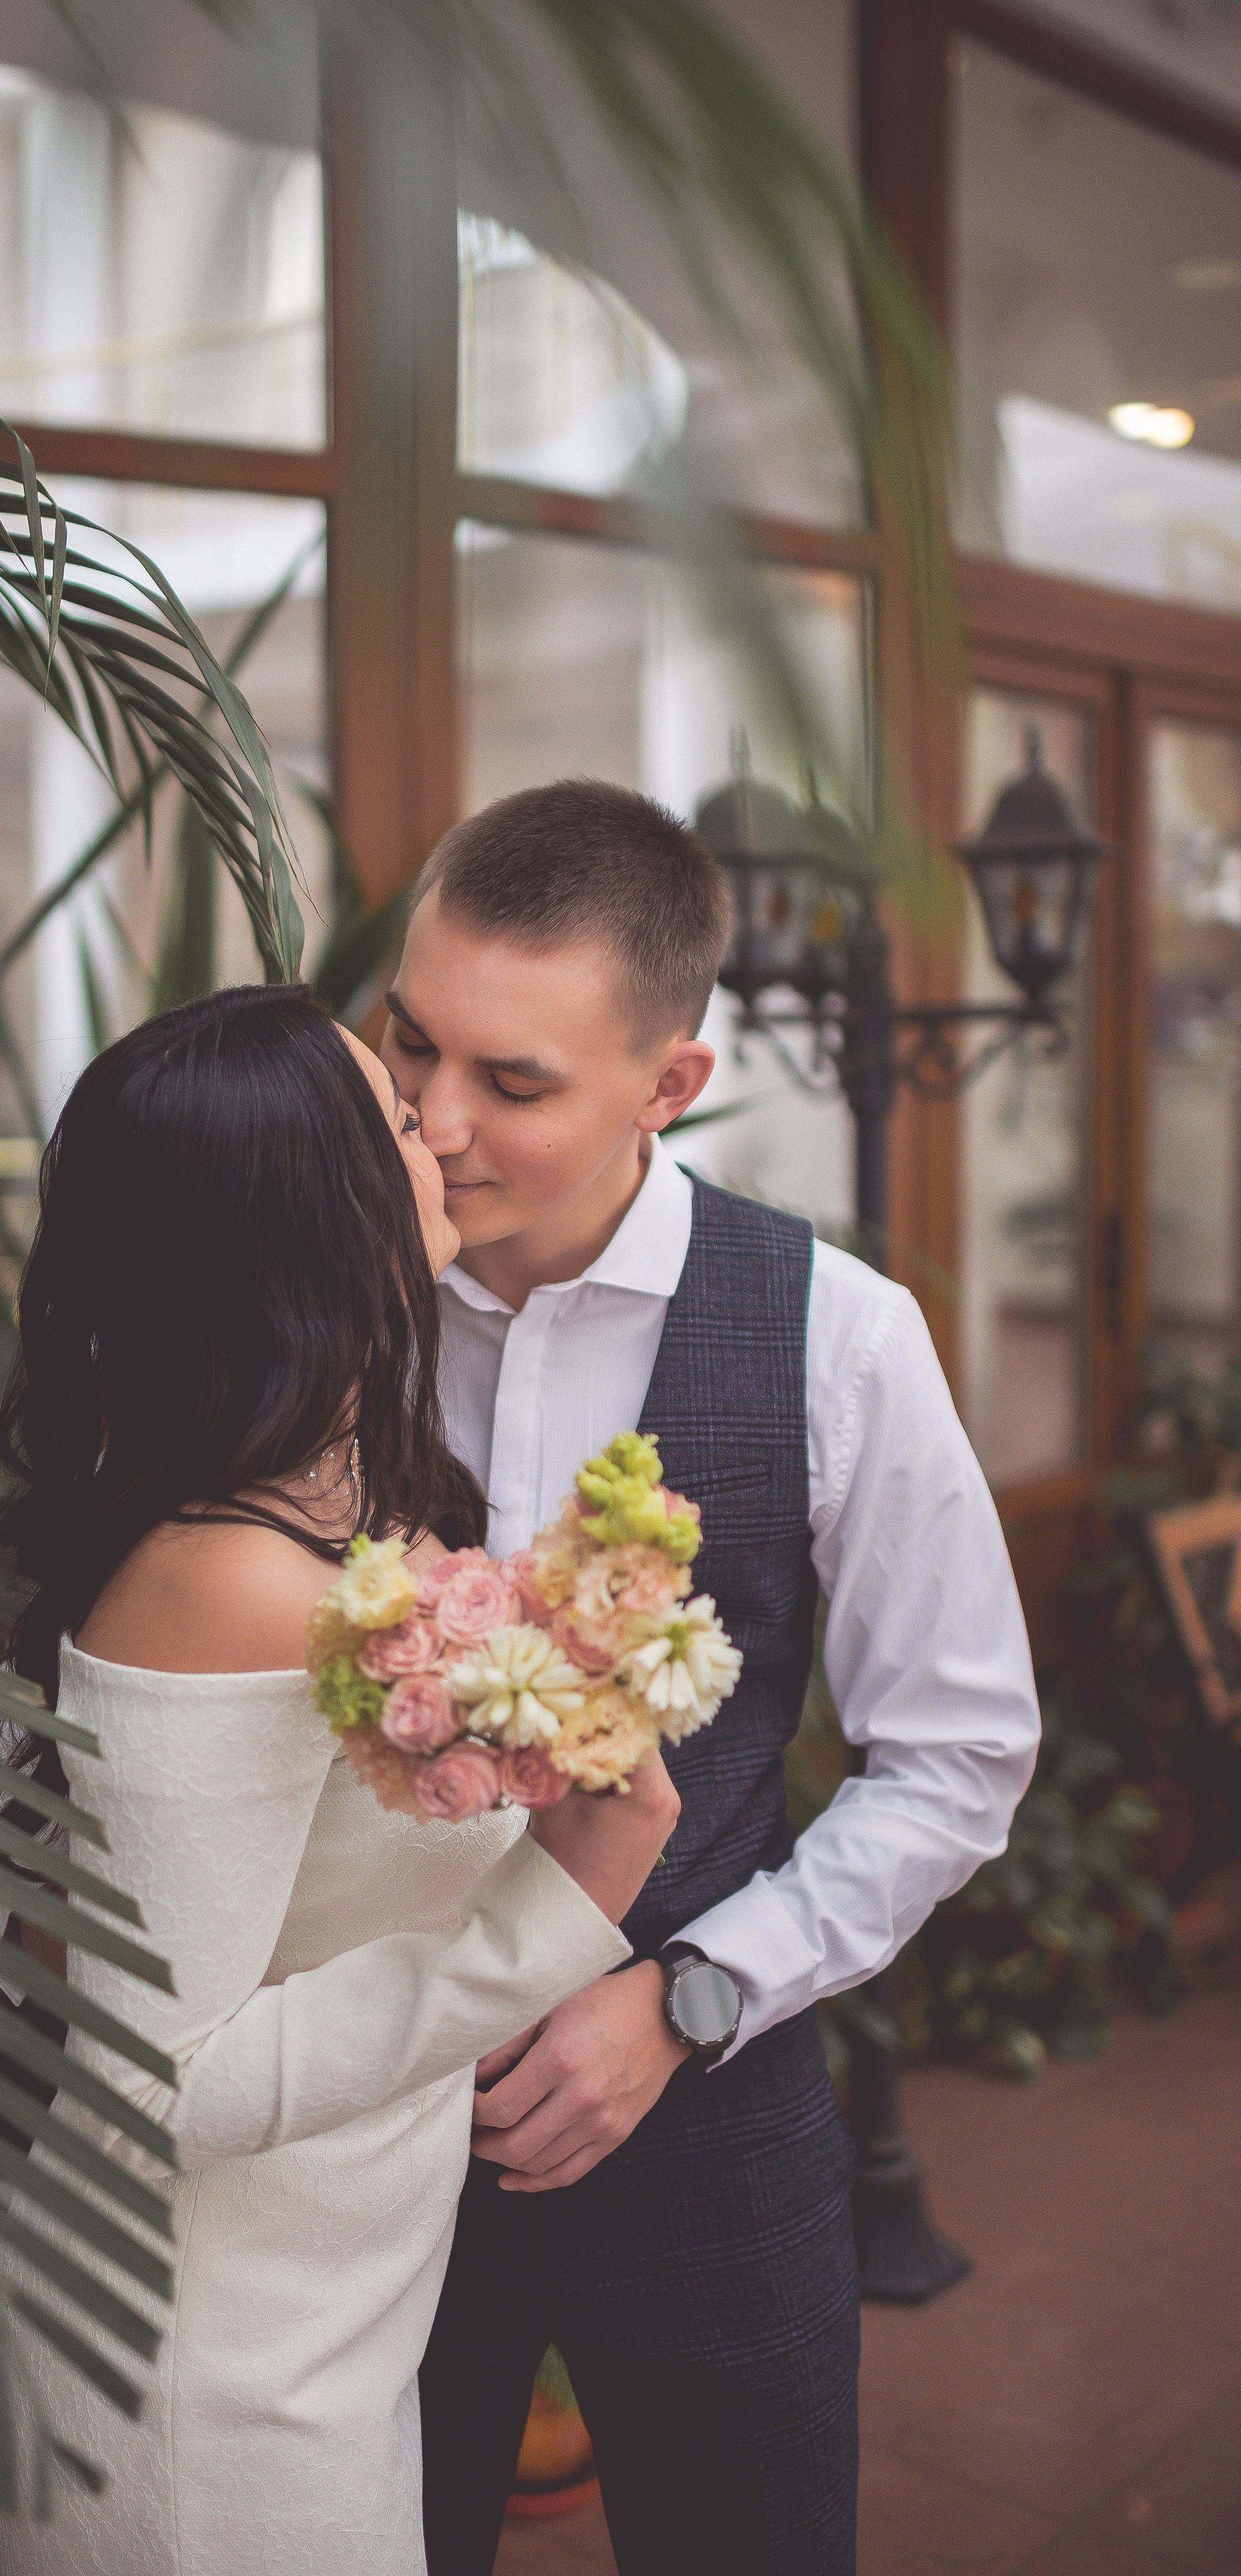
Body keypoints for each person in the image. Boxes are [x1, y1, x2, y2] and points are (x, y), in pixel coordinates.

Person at [383, 780, 1042, 2576]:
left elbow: (958, 1753)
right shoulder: (318, 1291)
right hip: (356, 2125)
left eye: (513, 1083)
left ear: (669, 1084)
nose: (436, 1122)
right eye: (410, 1043)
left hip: (704, 2112)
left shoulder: (842, 1334)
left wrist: (688, 1996)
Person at [0, 983, 678, 2576]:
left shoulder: (352, 1500)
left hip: (321, 2325)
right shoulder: (219, 1575)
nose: (440, 1127)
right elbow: (158, 2078)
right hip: (201, 2385)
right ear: (302, 1210)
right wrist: (560, 1906)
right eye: (391, 1112)